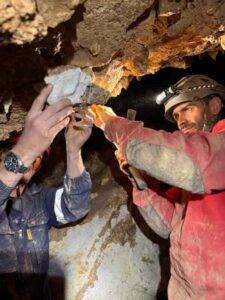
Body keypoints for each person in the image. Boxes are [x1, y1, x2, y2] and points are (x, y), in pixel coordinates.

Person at [89, 75, 225, 299]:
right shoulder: (190, 178)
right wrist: (140, 179)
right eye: (176, 115)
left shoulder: (214, 151)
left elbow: (191, 157)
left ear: (214, 106)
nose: (180, 120)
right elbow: (167, 226)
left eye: (187, 108)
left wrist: (111, 124)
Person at [0, 85, 92, 300]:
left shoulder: (39, 199)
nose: (31, 162)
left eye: (37, 158)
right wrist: (25, 150)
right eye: (29, 156)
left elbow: (75, 208)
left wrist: (73, 150)